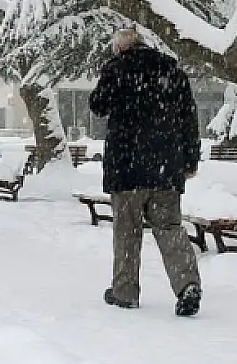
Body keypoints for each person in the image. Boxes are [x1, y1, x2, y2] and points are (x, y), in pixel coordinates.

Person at [88, 28, 202, 317]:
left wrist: (113, 76)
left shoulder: (117, 69)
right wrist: (189, 161)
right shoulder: (171, 70)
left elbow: (97, 105)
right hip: (165, 168)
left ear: (119, 49)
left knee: (127, 231)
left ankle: (125, 292)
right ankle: (187, 284)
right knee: (169, 227)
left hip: (127, 167)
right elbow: (189, 117)